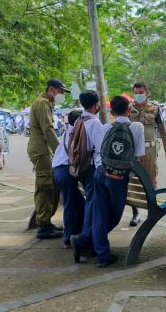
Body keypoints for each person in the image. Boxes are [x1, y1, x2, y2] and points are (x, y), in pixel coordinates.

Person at [72, 95, 145, 268]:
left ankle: (100, 254)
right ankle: (83, 240)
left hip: (100, 174)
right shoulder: (137, 126)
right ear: (129, 110)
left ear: (111, 112)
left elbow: (99, 152)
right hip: (118, 179)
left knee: (100, 215)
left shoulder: (104, 127)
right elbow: (139, 156)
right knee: (113, 216)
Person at [27, 79, 70, 239]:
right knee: (45, 187)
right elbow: (48, 129)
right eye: (60, 92)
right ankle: (43, 226)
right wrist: (60, 151)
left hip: (43, 150)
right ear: (52, 89)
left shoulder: (45, 103)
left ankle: (46, 222)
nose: (61, 95)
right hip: (41, 151)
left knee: (51, 185)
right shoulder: (43, 103)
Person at [129, 82, 166, 226]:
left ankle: (151, 212)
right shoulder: (129, 108)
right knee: (133, 180)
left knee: (151, 180)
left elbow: (162, 129)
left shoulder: (155, 108)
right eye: (136, 92)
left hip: (150, 150)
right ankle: (135, 214)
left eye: (141, 92)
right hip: (133, 151)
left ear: (147, 92)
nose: (138, 95)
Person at [70, 91, 104, 256]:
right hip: (91, 168)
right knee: (92, 204)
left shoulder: (79, 119)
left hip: (81, 167)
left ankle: (86, 239)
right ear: (96, 104)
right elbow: (99, 149)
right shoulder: (95, 123)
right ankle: (84, 241)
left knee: (90, 202)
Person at [52, 110, 84, 248]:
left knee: (80, 203)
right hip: (65, 172)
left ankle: (78, 233)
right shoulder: (74, 133)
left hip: (59, 171)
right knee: (70, 205)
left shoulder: (69, 131)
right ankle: (68, 238)